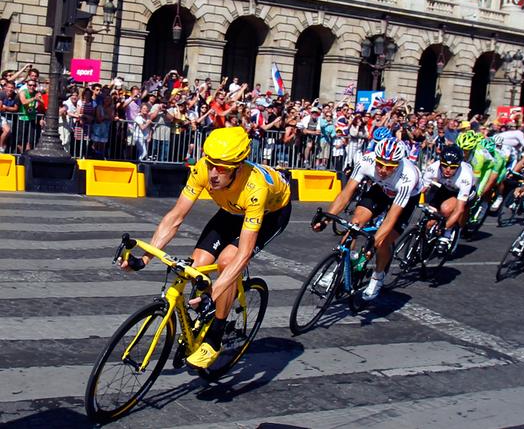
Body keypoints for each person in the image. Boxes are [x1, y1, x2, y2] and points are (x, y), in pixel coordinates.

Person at [118, 127, 292, 369]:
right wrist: (145, 258)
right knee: (196, 265)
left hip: (271, 213)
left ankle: (215, 335)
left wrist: (214, 293)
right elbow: (176, 216)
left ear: (237, 167)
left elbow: (243, 255)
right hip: (231, 210)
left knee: (227, 262)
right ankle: (204, 316)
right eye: (211, 164)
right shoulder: (202, 169)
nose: (212, 173)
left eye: (221, 168)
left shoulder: (255, 188)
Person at [315, 137, 423, 302]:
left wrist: (374, 242)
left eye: (389, 167)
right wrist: (326, 220)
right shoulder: (366, 160)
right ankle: (340, 267)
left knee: (382, 242)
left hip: (404, 200)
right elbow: (346, 193)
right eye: (379, 164)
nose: (382, 170)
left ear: (398, 164)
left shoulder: (407, 176)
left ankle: (377, 277)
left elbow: (392, 217)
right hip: (380, 190)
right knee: (355, 223)